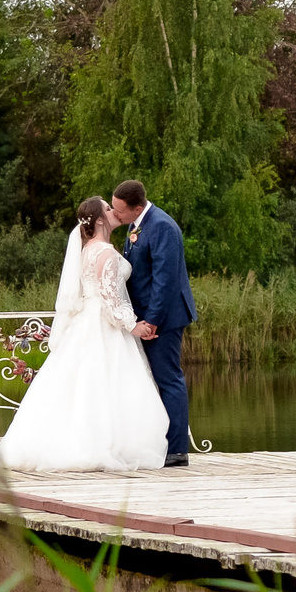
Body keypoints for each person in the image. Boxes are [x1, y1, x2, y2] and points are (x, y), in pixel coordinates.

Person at [0, 197, 170, 472]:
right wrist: (133, 325)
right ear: (99, 220)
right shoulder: (106, 253)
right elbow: (110, 299)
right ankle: (100, 445)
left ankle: (61, 443)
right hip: (102, 322)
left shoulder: (86, 250)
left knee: (79, 383)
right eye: (108, 209)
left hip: (85, 320)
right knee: (106, 382)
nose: (113, 212)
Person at [111, 179, 195, 466]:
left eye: (119, 210)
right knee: (153, 380)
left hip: (163, 318)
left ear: (136, 208)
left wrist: (153, 321)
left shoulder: (162, 226)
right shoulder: (136, 226)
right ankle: (158, 445)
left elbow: (165, 279)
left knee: (168, 378)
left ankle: (177, 450)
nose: (115, 214)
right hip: (144, 318)